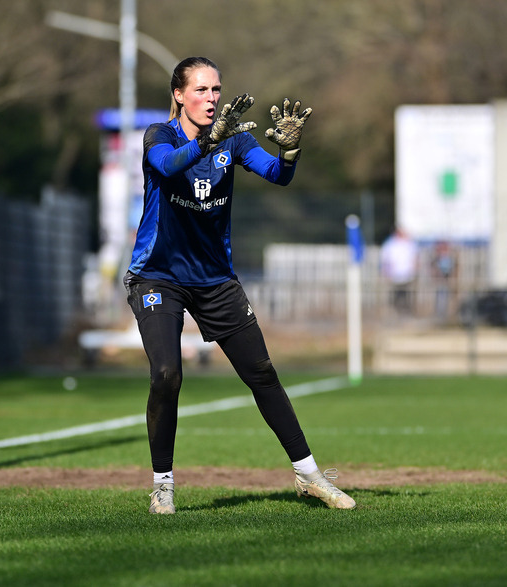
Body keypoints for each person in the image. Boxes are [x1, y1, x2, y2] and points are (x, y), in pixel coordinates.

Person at [123, 56, 355, 513]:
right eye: (202, 90)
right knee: (167, 374)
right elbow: (168, 167)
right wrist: (208, 141)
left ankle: (309, 477)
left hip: (214, 280)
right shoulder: (159, 137)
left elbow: (278, 175)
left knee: (262, 374)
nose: (212, 99)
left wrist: (290, 150)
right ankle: (163, 484)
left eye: (216, 90)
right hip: (158, 275)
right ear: (178, 95)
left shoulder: (236, 139)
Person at [380, 227, 419, 314]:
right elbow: (385, 259)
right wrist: (386, 272)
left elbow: (415, 257)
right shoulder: (390, 244)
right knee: (395, 294)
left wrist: (415, 268)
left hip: (408, 274)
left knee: (407, 294)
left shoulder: (409, 243)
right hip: (394, 275)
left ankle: (406, 311)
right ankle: (396, 311)